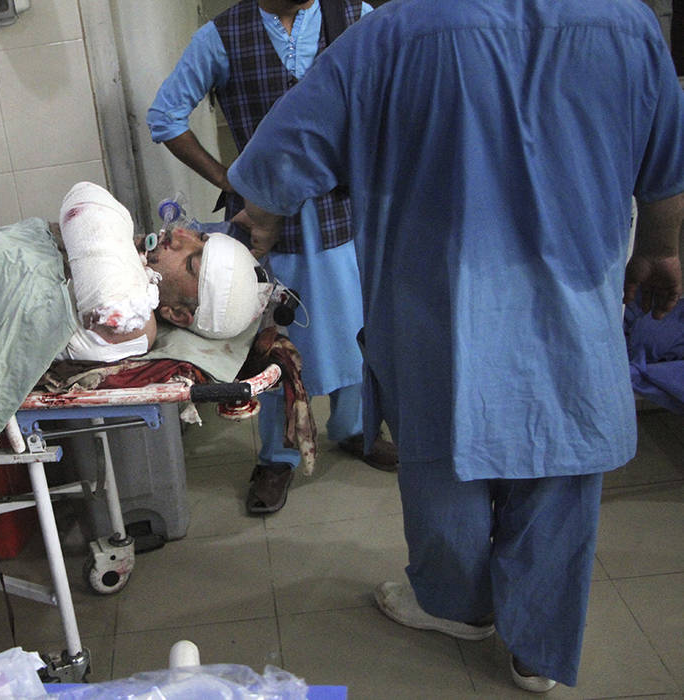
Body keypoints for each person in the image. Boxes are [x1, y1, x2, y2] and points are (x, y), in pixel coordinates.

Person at [226, 0, 684, 691]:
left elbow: (282, 154)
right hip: (569, 310)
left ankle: (456, 605)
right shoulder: (627, 26)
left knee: (443, 468)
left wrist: (254, 228)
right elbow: (665, 173)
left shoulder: (390, 35)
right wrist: (659, 250)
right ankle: (538, 651)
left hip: (434, 311)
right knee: (559, 474)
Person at [147, 0, 398, 518]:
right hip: (266, 228)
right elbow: (165, 116)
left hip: (347, 213)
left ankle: (356, 428)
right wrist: (231, 180)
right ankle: (277, 455)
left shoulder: (357, 15)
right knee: (274, 340)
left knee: (359, 326)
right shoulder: (221, 37)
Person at [54, 181, 271, 363]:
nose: (177, 235)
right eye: (199, 237)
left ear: (176, 314)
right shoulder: (125, 269)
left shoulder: (136, 325)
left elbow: (89, 202)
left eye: (190, 264)